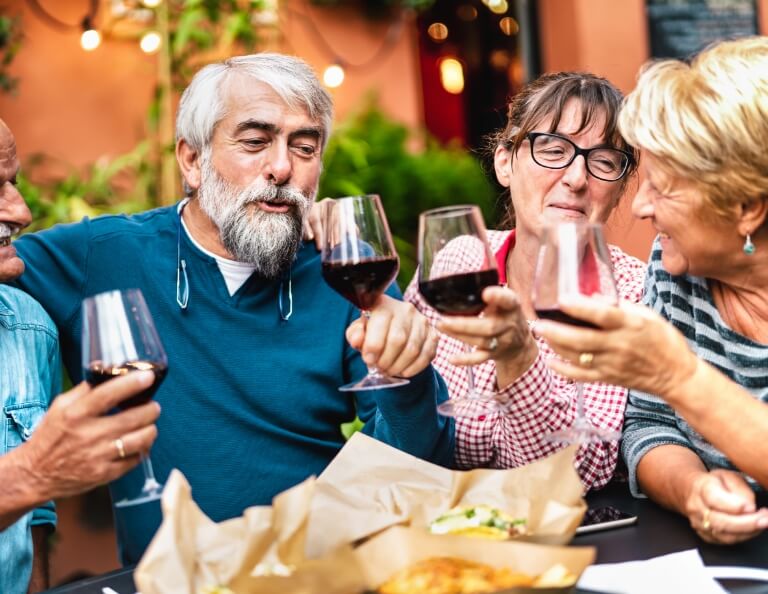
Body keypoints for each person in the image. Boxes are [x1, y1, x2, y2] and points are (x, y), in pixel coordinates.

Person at [12, 53, 454, 564]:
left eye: (304, 147)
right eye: (255, 142)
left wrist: (407, 378)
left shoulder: (344, 270)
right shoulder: (102, 254)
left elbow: (423, 464)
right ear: (192, 161)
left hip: (316, 573)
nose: (283, 167)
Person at [535, 37, 768, 544]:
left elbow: (675, 388)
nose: (639, 206)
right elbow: (647, 421)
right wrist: (693, 489)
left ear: (748, 207)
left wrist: (678, 375)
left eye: (662, 186)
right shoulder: (675, 266)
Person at [402, 72, 646, 489]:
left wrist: (519, 360)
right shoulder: (457, 263)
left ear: (619, 186)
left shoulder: (633, 292)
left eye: (603, 161)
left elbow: (577, 474)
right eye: (552, 150)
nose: (576, 178)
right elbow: (408, 436)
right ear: (504, 163)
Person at [0, 118, 161, 594]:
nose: (22, 211)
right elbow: (32, 482)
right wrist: (30, 471)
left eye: (13, 183)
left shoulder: (29, 327)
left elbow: (33, 527)